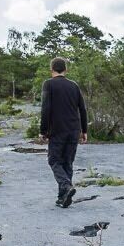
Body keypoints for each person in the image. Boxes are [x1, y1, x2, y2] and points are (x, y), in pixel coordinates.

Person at [39, 57, 88, 208]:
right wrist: (84, 130)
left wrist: (43, 131)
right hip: (73, 129)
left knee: (54, 160)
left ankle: (66, 186)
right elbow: (82, 108)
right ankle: (63, 198)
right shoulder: (74, 85)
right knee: (67, 163)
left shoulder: (49, 84)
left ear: (51, 69)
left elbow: (46, 109)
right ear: (66, 70)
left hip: (57, 130)